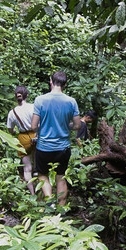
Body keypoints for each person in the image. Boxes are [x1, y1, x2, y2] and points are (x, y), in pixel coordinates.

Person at [31, 71, 81, 206]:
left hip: (44, 147)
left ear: (51, 81)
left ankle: (50, 202)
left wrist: (45, 125)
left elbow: (34, 126)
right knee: (61, 177)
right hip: (63, 148)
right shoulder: (71, 101)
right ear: (65, 84)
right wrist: (66, 125)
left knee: (42, 175)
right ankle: (61, 209)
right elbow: (77, 125)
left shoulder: (40, 100)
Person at [6, 85, 37, 194]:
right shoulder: (33, 107)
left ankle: (32, 193)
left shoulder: (12, 112)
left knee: (27, 168)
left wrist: (14, 132)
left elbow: (10, 129)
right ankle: (42, 188)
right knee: (38, 162)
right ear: (26, 95)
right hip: (36, 135)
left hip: (23, 138)